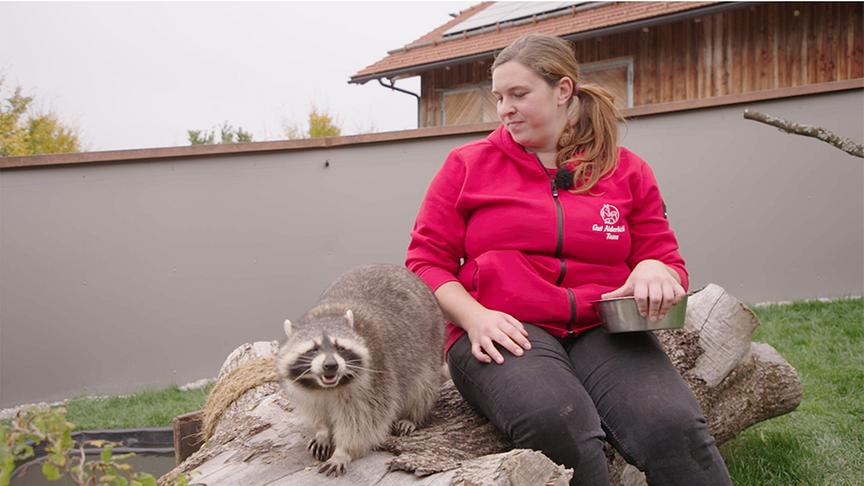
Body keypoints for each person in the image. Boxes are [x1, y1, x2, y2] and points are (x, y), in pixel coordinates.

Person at [405, 34, 731, 485]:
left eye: (519, 94)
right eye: (499, 97)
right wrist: (475, 317)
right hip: (504, 328)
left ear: (562, 91)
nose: (505, 109)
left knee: (671, 426)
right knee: (560, 424)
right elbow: (425, 261)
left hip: (603, 325)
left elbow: (662, 254)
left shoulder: (626, 169)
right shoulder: (466, 165)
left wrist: (656, 269)